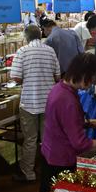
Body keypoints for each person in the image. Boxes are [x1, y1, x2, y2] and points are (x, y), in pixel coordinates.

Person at [39, 53, 96, 192]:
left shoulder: (60, 88)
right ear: (83, 75)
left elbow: (65, 123)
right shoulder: (66, 99)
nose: (91, 83)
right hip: (61, 160)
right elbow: (79, 142)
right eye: (90, 79)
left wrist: (89, 123)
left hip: (51, 155)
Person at [11, 25, 61, 182]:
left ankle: (29, 172)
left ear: (26, 37)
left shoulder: (22, 51)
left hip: (29, 102)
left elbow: (16, 77)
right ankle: (49, 169)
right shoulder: (50, 51)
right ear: (40, 35)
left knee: (30, 139)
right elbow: (58, 76)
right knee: (48, 137)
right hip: (48, 101)